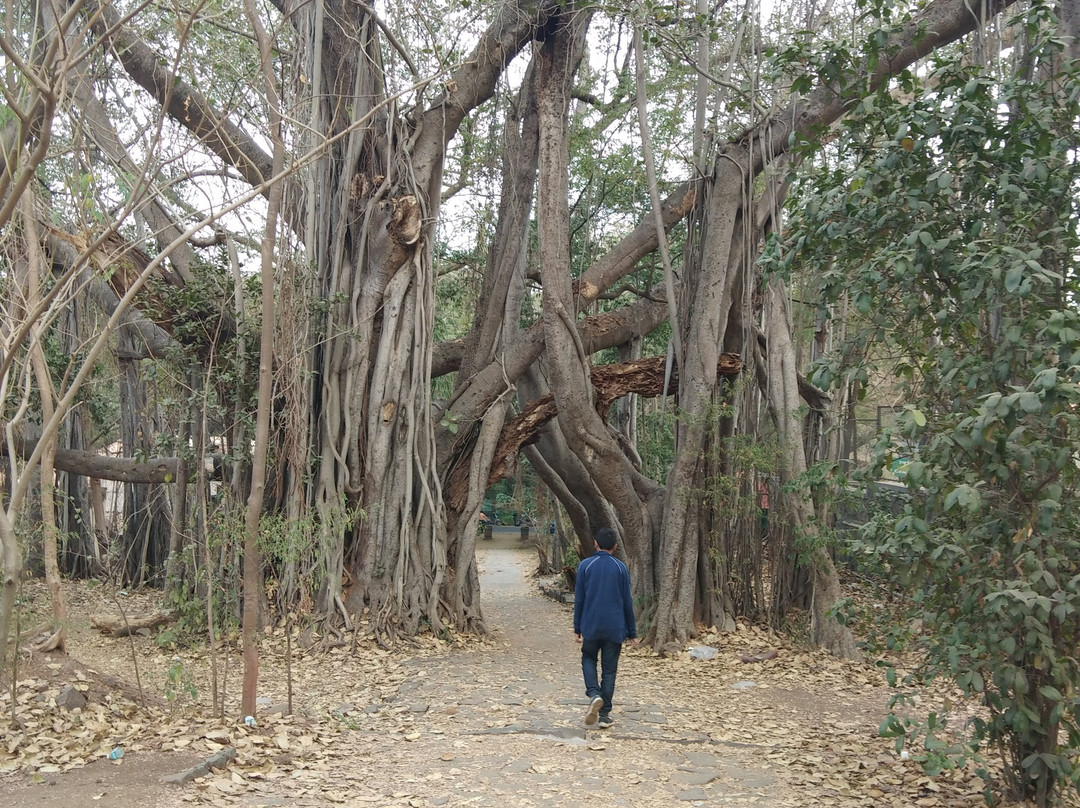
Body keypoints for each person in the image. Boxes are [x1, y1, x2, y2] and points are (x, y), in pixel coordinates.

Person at [573, 527, 636, 729]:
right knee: (609, 671)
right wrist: (632, 632)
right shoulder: (620, 568)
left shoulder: (585, 566)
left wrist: (577, 627)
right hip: (615, 628)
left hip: (591, 625)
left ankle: (594, 694)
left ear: (595, 544)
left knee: (588, 658)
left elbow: (579, 599)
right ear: (615, 547)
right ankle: (605, 715)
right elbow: (627, 602)